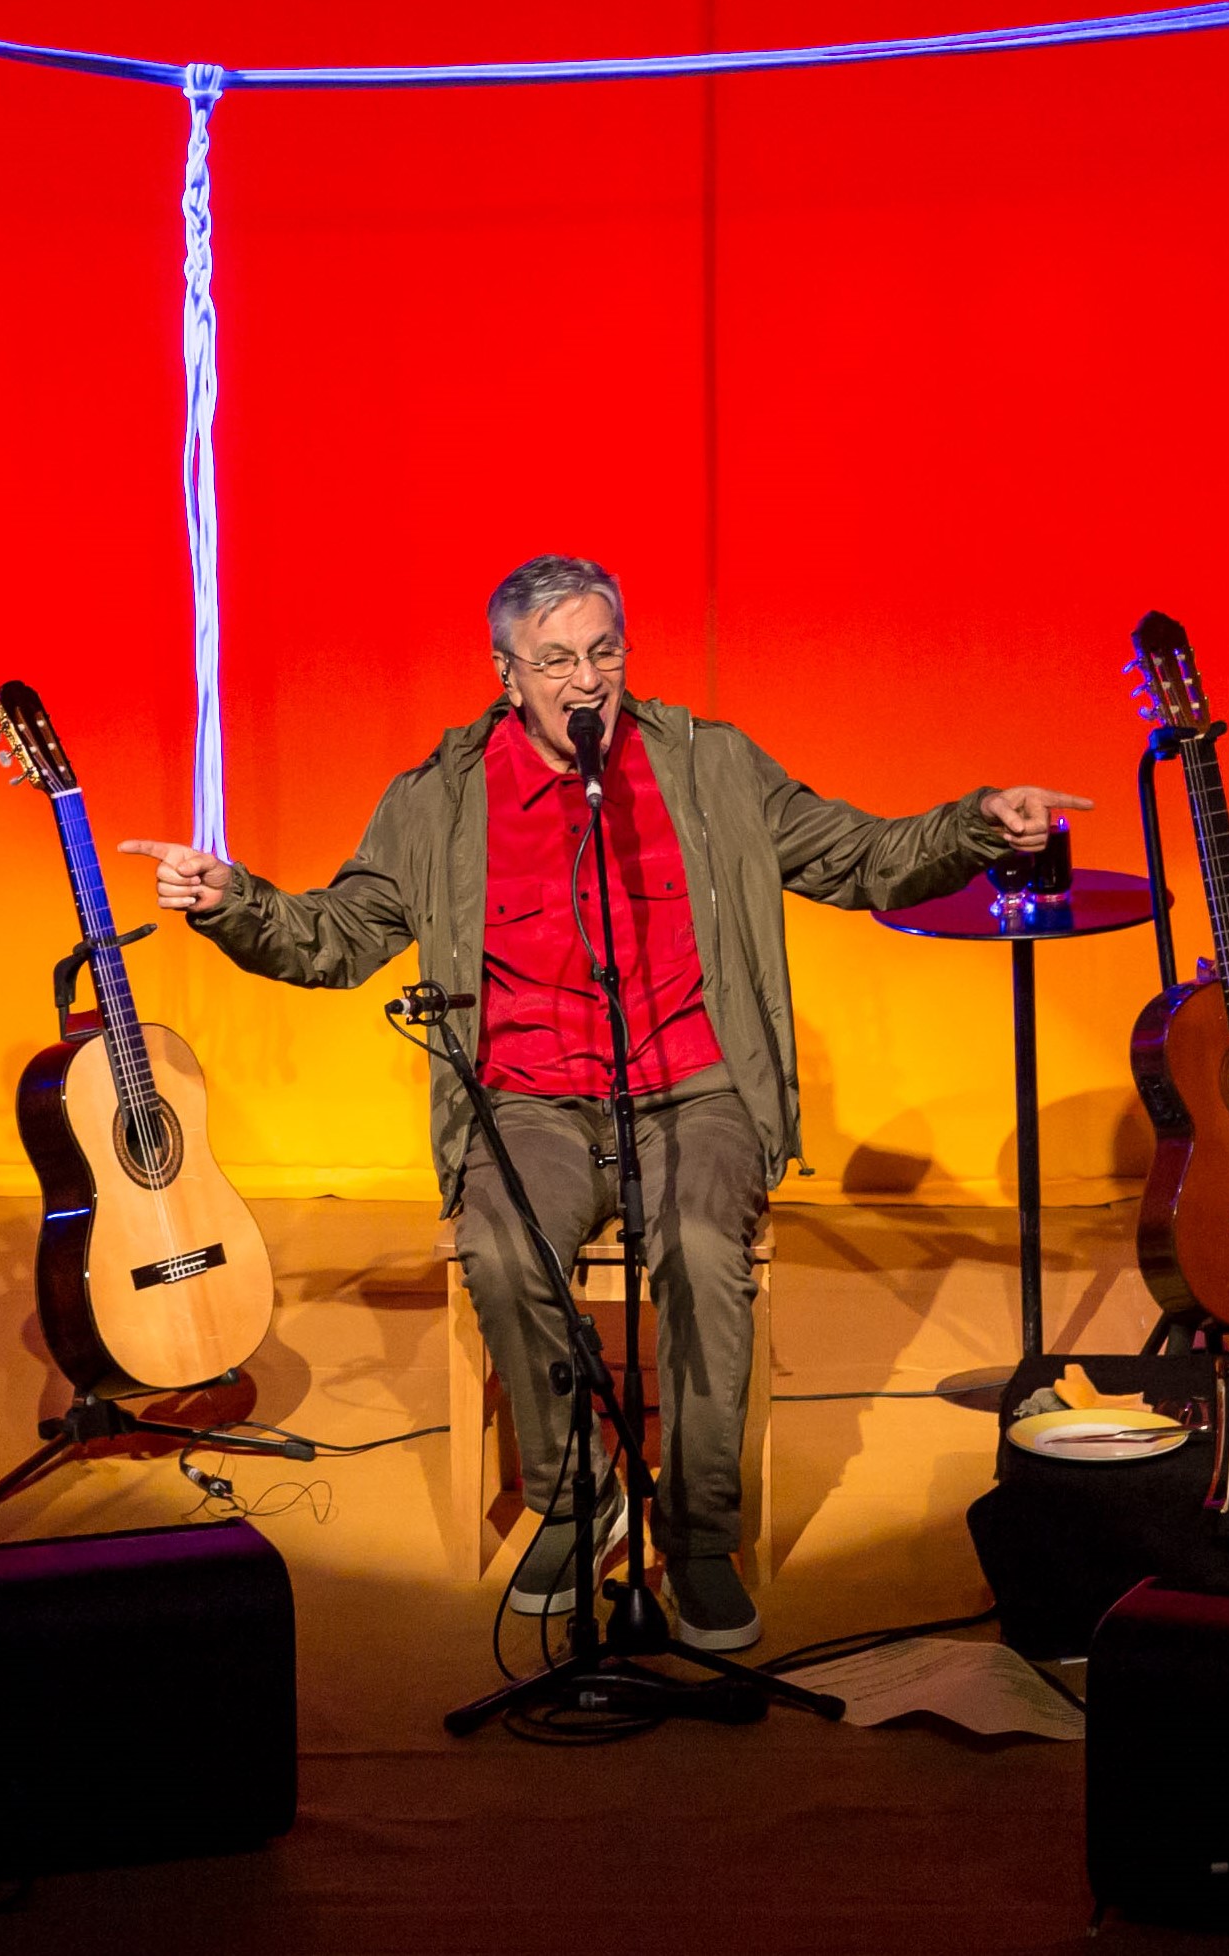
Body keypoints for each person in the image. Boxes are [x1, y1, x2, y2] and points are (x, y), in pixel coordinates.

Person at [127, 554, 1083, 1655]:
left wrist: (975, 824)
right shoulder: (439, 801)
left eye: (603, 653)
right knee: (499, 1244)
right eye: (556, 661)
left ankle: (702, 1533)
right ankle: (581, 1496)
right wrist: (230, 900)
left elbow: (856, 856)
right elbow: (338, 940)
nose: (586, 682)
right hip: (529, 1100)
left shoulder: (707, 767)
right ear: (507, 674)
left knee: (695, 1243)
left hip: (693, 1088)